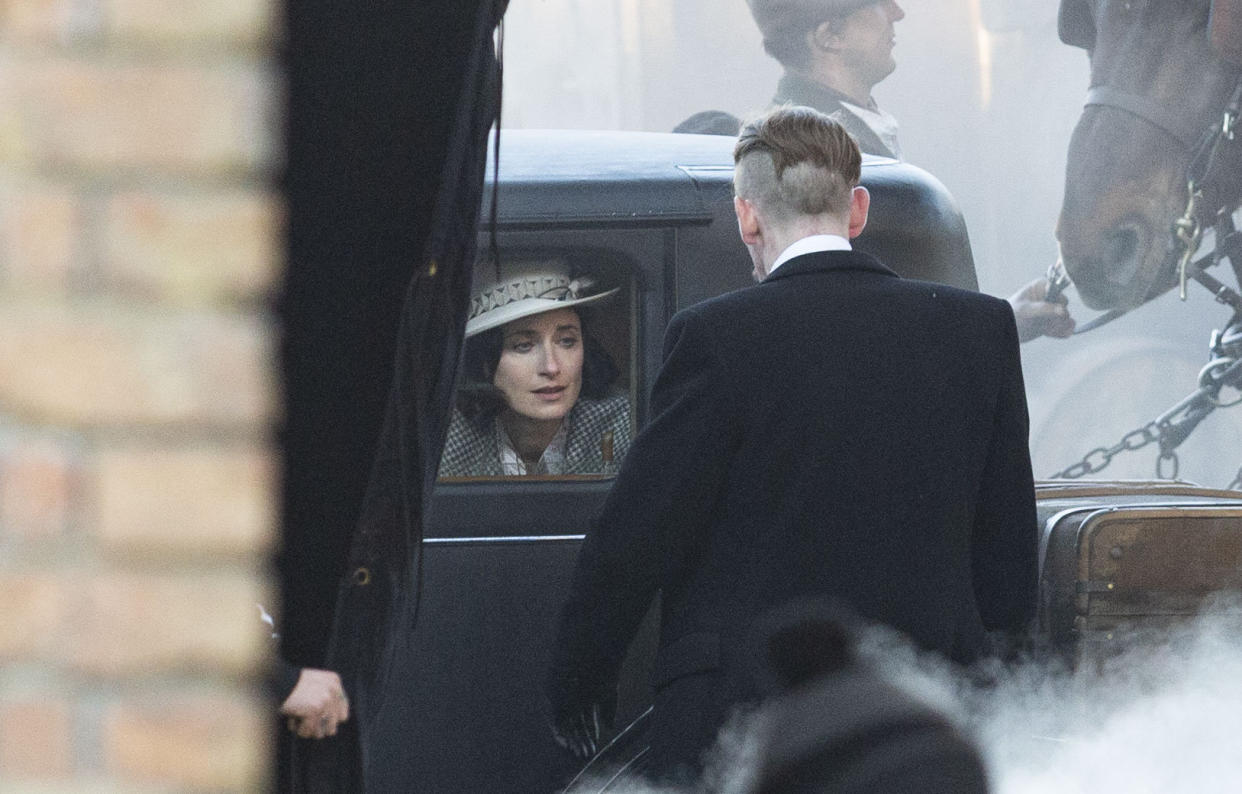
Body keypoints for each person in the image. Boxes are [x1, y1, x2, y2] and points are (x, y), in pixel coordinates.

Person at [546, 106, 1038, 784]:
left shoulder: (716, 339)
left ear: (748, 216)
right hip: (927, 723)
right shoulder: (979, 329)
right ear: (857, 208)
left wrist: (580, 678)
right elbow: (1009, 570)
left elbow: (638, 533)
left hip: (750, 724)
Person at [741, 0, 1075, 342]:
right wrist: (995, 324)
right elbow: (857, 324)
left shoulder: (826, 138)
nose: (897, 13)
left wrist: (1004, 317)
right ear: (830, 36)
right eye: (877, 4)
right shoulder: (810, 156)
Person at [438, 260, 632, 477]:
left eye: (567, 341)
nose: (551, 367)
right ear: (485, 362)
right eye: (523, 346)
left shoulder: (625, 424)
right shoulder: (449, 438)